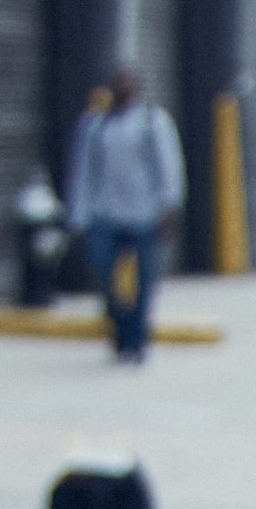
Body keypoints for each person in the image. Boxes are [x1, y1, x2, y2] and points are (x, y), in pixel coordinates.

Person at [68, 61, 185, 362]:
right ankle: (119, 329)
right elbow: (83, 173)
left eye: (127, 83)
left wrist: (170, 206)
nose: (122, 88)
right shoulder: (95, 126)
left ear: (136, 88)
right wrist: (79, 217)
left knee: (143, 283)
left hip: (144, 216)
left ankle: (136, 342)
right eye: (117, 83)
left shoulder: (152, 122)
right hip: (105, 215)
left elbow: (168, 165)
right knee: (104, 274)